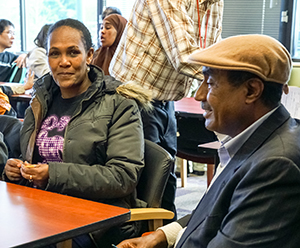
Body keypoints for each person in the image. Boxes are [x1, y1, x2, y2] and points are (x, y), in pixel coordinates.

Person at [115, 34, 300, 248]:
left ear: (252, 90)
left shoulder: (276, 165)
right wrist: (165, 235)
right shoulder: (254, 138)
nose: (199, 95)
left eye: (210, 83)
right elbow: (217, 209)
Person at [2, 18, 152, 247]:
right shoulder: (41, 100)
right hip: (42, 208)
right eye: (55, 54)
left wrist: (53, 174)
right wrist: (18, 169)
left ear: (89, 55)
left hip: (96, 221)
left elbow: (123, 177)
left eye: (73, 52)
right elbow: (37, 159)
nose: (63, 62)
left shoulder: (119, 104)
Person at [109, 0, 224, 221]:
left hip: (167, 97)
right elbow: (184, 54)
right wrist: (234, 79)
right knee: (144, 184)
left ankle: (167, 238)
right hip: (133, 95)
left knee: (167, 177)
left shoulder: (215, 2)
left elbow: (213, 49)